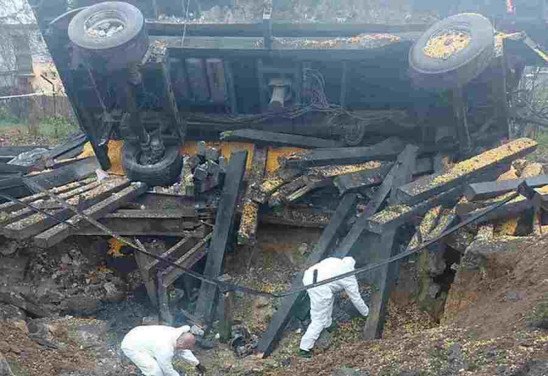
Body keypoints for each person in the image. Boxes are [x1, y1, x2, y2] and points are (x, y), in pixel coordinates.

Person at [299, 256, 369, 357]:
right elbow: (356, 299)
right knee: (319, 319)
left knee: (325, 301)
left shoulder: (335, 260)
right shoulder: (349, 276)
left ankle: (328, 325)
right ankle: (304, 348)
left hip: (309, 277)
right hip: (320, 286)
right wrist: (367, 313)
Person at [121, 325, 206, 376]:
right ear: (180, 344)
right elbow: (167, 370)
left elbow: (184, 351)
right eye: (188, 347)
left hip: (140, 333)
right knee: (156, 372)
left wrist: (197, 364)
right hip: (131, 345)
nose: (190, 349)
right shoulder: (165, 349)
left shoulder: (178, 334)